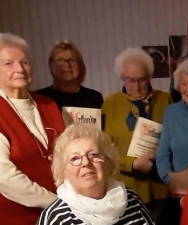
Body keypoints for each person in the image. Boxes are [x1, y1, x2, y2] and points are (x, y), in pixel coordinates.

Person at [102, 48, 176, 224]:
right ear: (122, 78)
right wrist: (132, 163)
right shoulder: (110, 104)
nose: (136, 86)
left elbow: (175, 140)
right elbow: (103, 151)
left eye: (141, 79)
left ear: (149, 76)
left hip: (161, 190)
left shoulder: (166, 100)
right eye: (130, 80)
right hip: (126, 192)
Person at [0, 33, 65, 224]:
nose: (20, 69)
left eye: (25, 62)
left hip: (59, 216)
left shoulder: (48, 104)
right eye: (8, 63)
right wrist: (56, 202)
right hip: (15, 216)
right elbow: (5, 177)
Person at [37, 123, 154, 225]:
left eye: (93, 155)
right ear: (64, 171)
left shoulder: (131, 199)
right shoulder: (56, 218)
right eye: (75, 158)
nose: (86, 163)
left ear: (108, 162)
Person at [36, 41, 103, 111]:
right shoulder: (40, 99)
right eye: (60, 60)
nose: (66, 65)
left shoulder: (94, 98)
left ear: (80, 66)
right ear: (51, 66)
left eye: (72, 60)